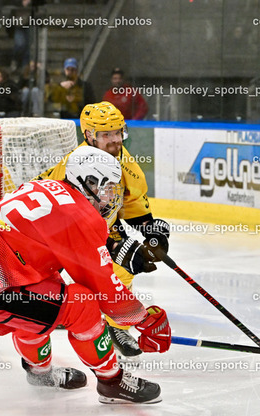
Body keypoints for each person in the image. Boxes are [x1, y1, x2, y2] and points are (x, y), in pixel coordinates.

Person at [0, 145, 170, 403]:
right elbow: (104, 289)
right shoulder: (79, 215)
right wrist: (145, 320)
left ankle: (39, 373)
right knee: (81, 305)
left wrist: (111, 246)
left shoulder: (49, 186)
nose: (111, 197)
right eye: (107, 188)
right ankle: (112, 382)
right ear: (89, 182)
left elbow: (57, 236)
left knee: (48, 297)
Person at [36, 101, 171, 359]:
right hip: (53, 233)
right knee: (41, 288)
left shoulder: (126, 163)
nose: (115, 140)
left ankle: (116, 326)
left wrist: (152, 232)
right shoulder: (74, 165)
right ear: (89, 135)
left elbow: (133, 205)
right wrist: (111, 246)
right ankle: (23, 334)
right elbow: (61, 218)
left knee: (124, 267)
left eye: (118, 132)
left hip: (98, 227)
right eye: (107, 134)